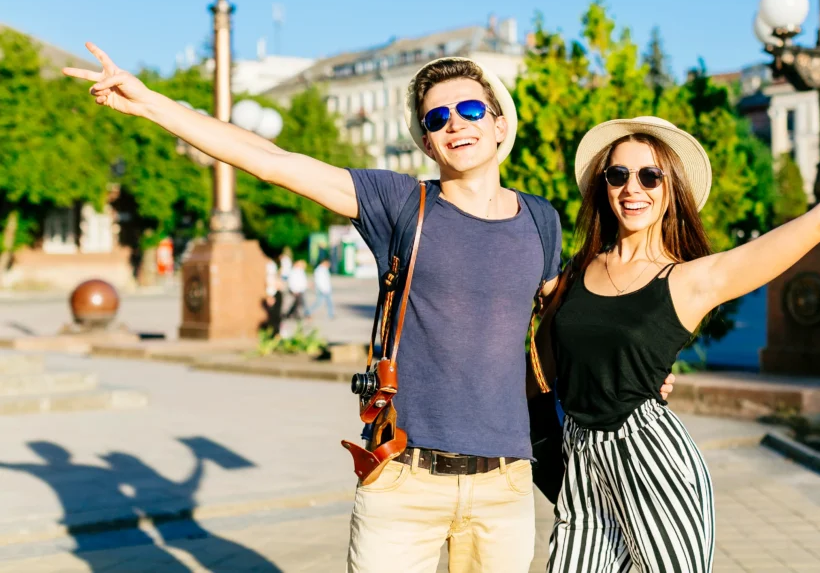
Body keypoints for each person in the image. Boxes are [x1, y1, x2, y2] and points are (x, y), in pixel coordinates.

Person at [62, 44, 674, 573]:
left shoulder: (540, 219)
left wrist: (638, 365)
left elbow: (570, 323)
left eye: (468, 110)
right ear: (427, 141)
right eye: (437, 118)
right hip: (403, 479)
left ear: (497, 124)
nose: (454, 125)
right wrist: (153, 104)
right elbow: (272, 162)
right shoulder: (398, 202)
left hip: (506, 485)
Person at [538, 90, 820, 572]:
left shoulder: (691, 280)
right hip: (581, 465)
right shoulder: (577, 270)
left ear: (671, 189)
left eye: (650, 176)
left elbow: (819, 223)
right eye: (618, 175)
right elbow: (548, 365)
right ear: (604, 185)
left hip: (651, 463)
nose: (632, 188)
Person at [306, 255, 335, 319]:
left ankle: (331, 314)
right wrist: (322, 289)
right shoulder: (319, 270)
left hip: (326, 289)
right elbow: (319, 281)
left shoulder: (324, 269)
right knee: (319, 302)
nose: (329, 265)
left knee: (328, 302)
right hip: (322, 289)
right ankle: (308, 312)